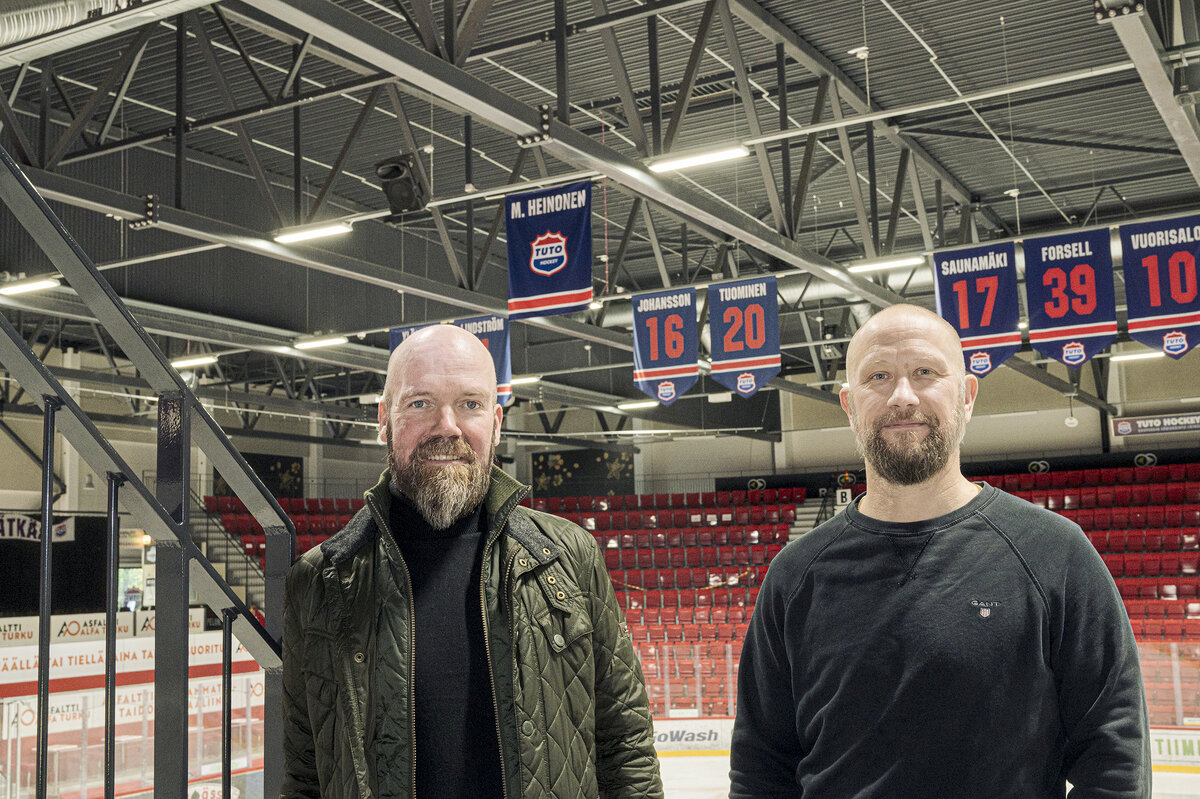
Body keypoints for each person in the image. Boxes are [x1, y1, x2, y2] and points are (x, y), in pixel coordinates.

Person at [730, 304, 1150, 798]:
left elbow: (1115, 762)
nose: (902, 396)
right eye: (878, 377)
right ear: (848, 406)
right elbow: (761, 771)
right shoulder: (794, 575)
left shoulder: (1055, 554)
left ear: (967, 395)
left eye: (925, 372)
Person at [280, 324, 663, 799]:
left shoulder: (570, 556)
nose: (448, 426)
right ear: (384, 419)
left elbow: (626, 748)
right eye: (420, 403)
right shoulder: (319, 581)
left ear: (496, 423)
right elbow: (305, 775)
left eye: (470, 404)